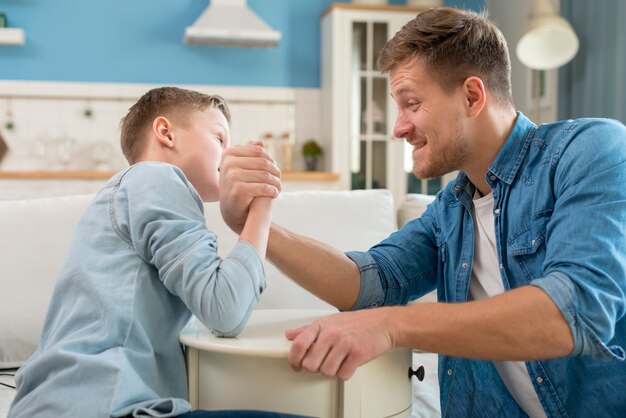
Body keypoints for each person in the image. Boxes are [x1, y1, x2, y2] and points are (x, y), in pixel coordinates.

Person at [218, 7, 626, 418]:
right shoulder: (450, 211)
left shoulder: (592, 150)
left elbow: (573, 312)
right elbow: (369, 282)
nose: (398, 128)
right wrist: (253, 225)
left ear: (472, 96)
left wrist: (391, 326)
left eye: (411, 103)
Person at [7, 87, 298, 418]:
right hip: (102, 403)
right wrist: (262, 204)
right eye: (220, 139)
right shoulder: (156, 178)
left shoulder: (133, 192)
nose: (228, 154)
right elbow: (225, 307)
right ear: (165, 133)